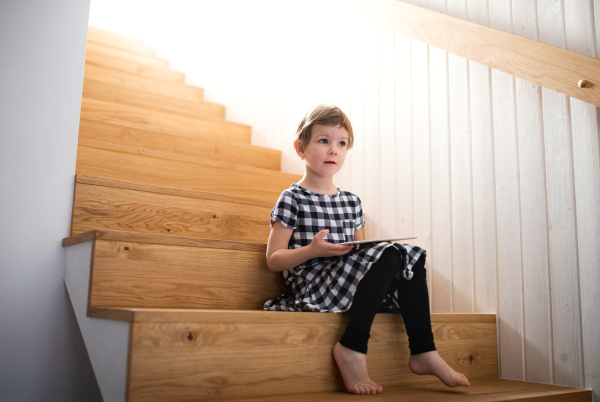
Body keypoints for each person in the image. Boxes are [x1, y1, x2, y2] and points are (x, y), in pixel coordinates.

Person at [264, 104, 470, 395]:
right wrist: (312, 250)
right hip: (315, 284)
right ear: (300, 148)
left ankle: (424, 350)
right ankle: (352, 346)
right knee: (389, 254)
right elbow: (273, 260)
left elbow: (363, 251)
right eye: (323, 141)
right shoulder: (291, 198)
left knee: (408, 254)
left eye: (341, 143)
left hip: (347, 280)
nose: (333, 150)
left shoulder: (352, 201)